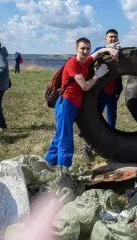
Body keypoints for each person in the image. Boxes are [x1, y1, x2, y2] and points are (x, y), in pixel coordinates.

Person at [45, 37, 119, 167]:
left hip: (73, 104)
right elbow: (84, 86)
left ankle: (49, 163)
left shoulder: (85, 61)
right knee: (65, 140)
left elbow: (97, 53)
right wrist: (97, 76)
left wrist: (108, 48)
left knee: (59, 136)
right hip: (66, 104)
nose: (85, 51)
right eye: (82, 48)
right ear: (76, 49)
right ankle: (64, 172)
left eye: (87, 49)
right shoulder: (72, 64)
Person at [84, 29, 123, 158]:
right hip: (99, 94)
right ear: (105, 39)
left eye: (115, 37)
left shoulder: (120, 52)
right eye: (110, 37)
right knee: (93, 119)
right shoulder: (100, 49)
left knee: (112, 121)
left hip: (112, 94)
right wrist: (108, 50)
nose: (113, 39)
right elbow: (92, 57)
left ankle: (110, 148)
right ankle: (88, 147)